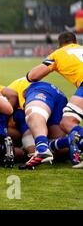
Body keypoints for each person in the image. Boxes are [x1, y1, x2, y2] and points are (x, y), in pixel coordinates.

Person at [26, 31, 83, 168]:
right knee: (69, 121)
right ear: (75, 42)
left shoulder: (57, 54)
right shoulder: (80, 48)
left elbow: (32, 76)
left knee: (67, 123)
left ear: (60, 44)